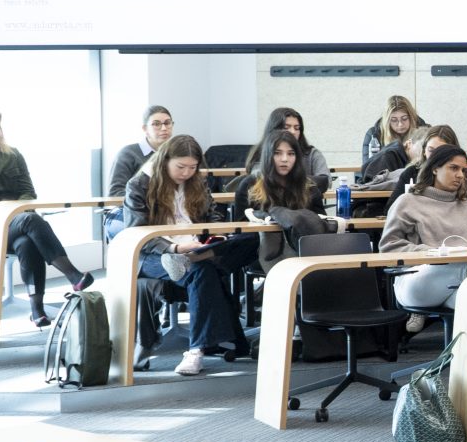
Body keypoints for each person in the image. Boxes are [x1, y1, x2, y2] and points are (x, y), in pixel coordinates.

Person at [121, 135, 256, 374]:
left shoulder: (197, 182)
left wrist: (216, 235)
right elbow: (137, 233)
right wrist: (173, 248)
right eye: (180, 167)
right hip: (153, 256)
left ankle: (199, 350)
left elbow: (212, 215)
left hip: (194, 248)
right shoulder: (139, 185)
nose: (186, 173)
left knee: (250, 239)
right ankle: (197, 351)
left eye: (192, 168)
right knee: (202, 270)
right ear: (164, 161)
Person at [0, 106, 91, 320]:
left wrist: (11, 212)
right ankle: (72, 274)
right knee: (30, 220)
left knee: (26, 242)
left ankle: (37, 310)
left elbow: (28, 192)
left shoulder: (12, 155)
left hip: (15, 224)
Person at [379, 144, 467, 315]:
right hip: (415, 281)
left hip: (457, 284)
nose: (460, 175)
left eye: (464, 170)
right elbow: (388, 247)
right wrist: (433, 252)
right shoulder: (407, 202)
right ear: (435, 169)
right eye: (453, 168)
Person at [231, 128, 337, 267]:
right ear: (268, 156)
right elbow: (241, 230)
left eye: (291, 154)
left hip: (303, 251)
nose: (285, 159)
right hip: (258, 251)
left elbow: (318, 223)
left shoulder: (308, 187)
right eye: (277, 153)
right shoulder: (250, 185)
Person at [108, 105, 175, 199]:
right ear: (145, 128)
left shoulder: (178, 153)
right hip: (137, 210)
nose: (164, 128)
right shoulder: (128, 153)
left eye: (167, 123)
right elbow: (115, 193)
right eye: (156, 124)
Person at [360, 95, 419, 166]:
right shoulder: (374, 135)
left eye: (404, 118)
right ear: (387, 121)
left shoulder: (425, 132)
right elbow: (368, 167)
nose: (400, 124)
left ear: (412, 117)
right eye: (394, 120)